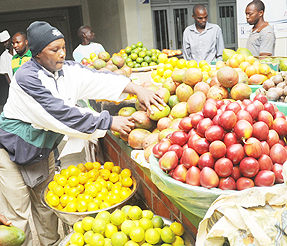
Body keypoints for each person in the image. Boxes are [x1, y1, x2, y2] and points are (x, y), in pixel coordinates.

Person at [0, 21, 165, 246]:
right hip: (11, 150)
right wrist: (108, 121)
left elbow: (99, 78)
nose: (62, 54)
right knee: (18, 217)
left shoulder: (67, 70)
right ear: (37, 53)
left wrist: (137, 89)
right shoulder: (26, 78)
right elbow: (58, 114)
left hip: (43, 148)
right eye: (54, 49)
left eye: (63, 47)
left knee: (46, 208)